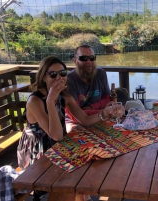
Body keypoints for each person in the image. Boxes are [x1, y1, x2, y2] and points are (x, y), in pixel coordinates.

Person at [17, 56, 119, 201]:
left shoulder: (65, 96)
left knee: (91, 160)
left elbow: (85, 120)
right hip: (37, 153)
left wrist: (105, 113)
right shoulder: (35, 101)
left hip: (57, 147)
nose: (59, 78)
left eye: (63, 73)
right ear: (43, 77)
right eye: (53, 74)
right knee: (69, 182)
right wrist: (50, 102)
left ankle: (82, 196)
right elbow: (56, 135)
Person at [66, 44, 110, 121]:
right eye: (84, 58)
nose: (89, 61)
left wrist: (91, 107)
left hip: (99, 118)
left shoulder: (101, 73)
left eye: (92, 58)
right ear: (75, 61)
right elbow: (76, 115)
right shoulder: (69, 80)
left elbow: (107, 99)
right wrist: (106, 112)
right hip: (78, 123)